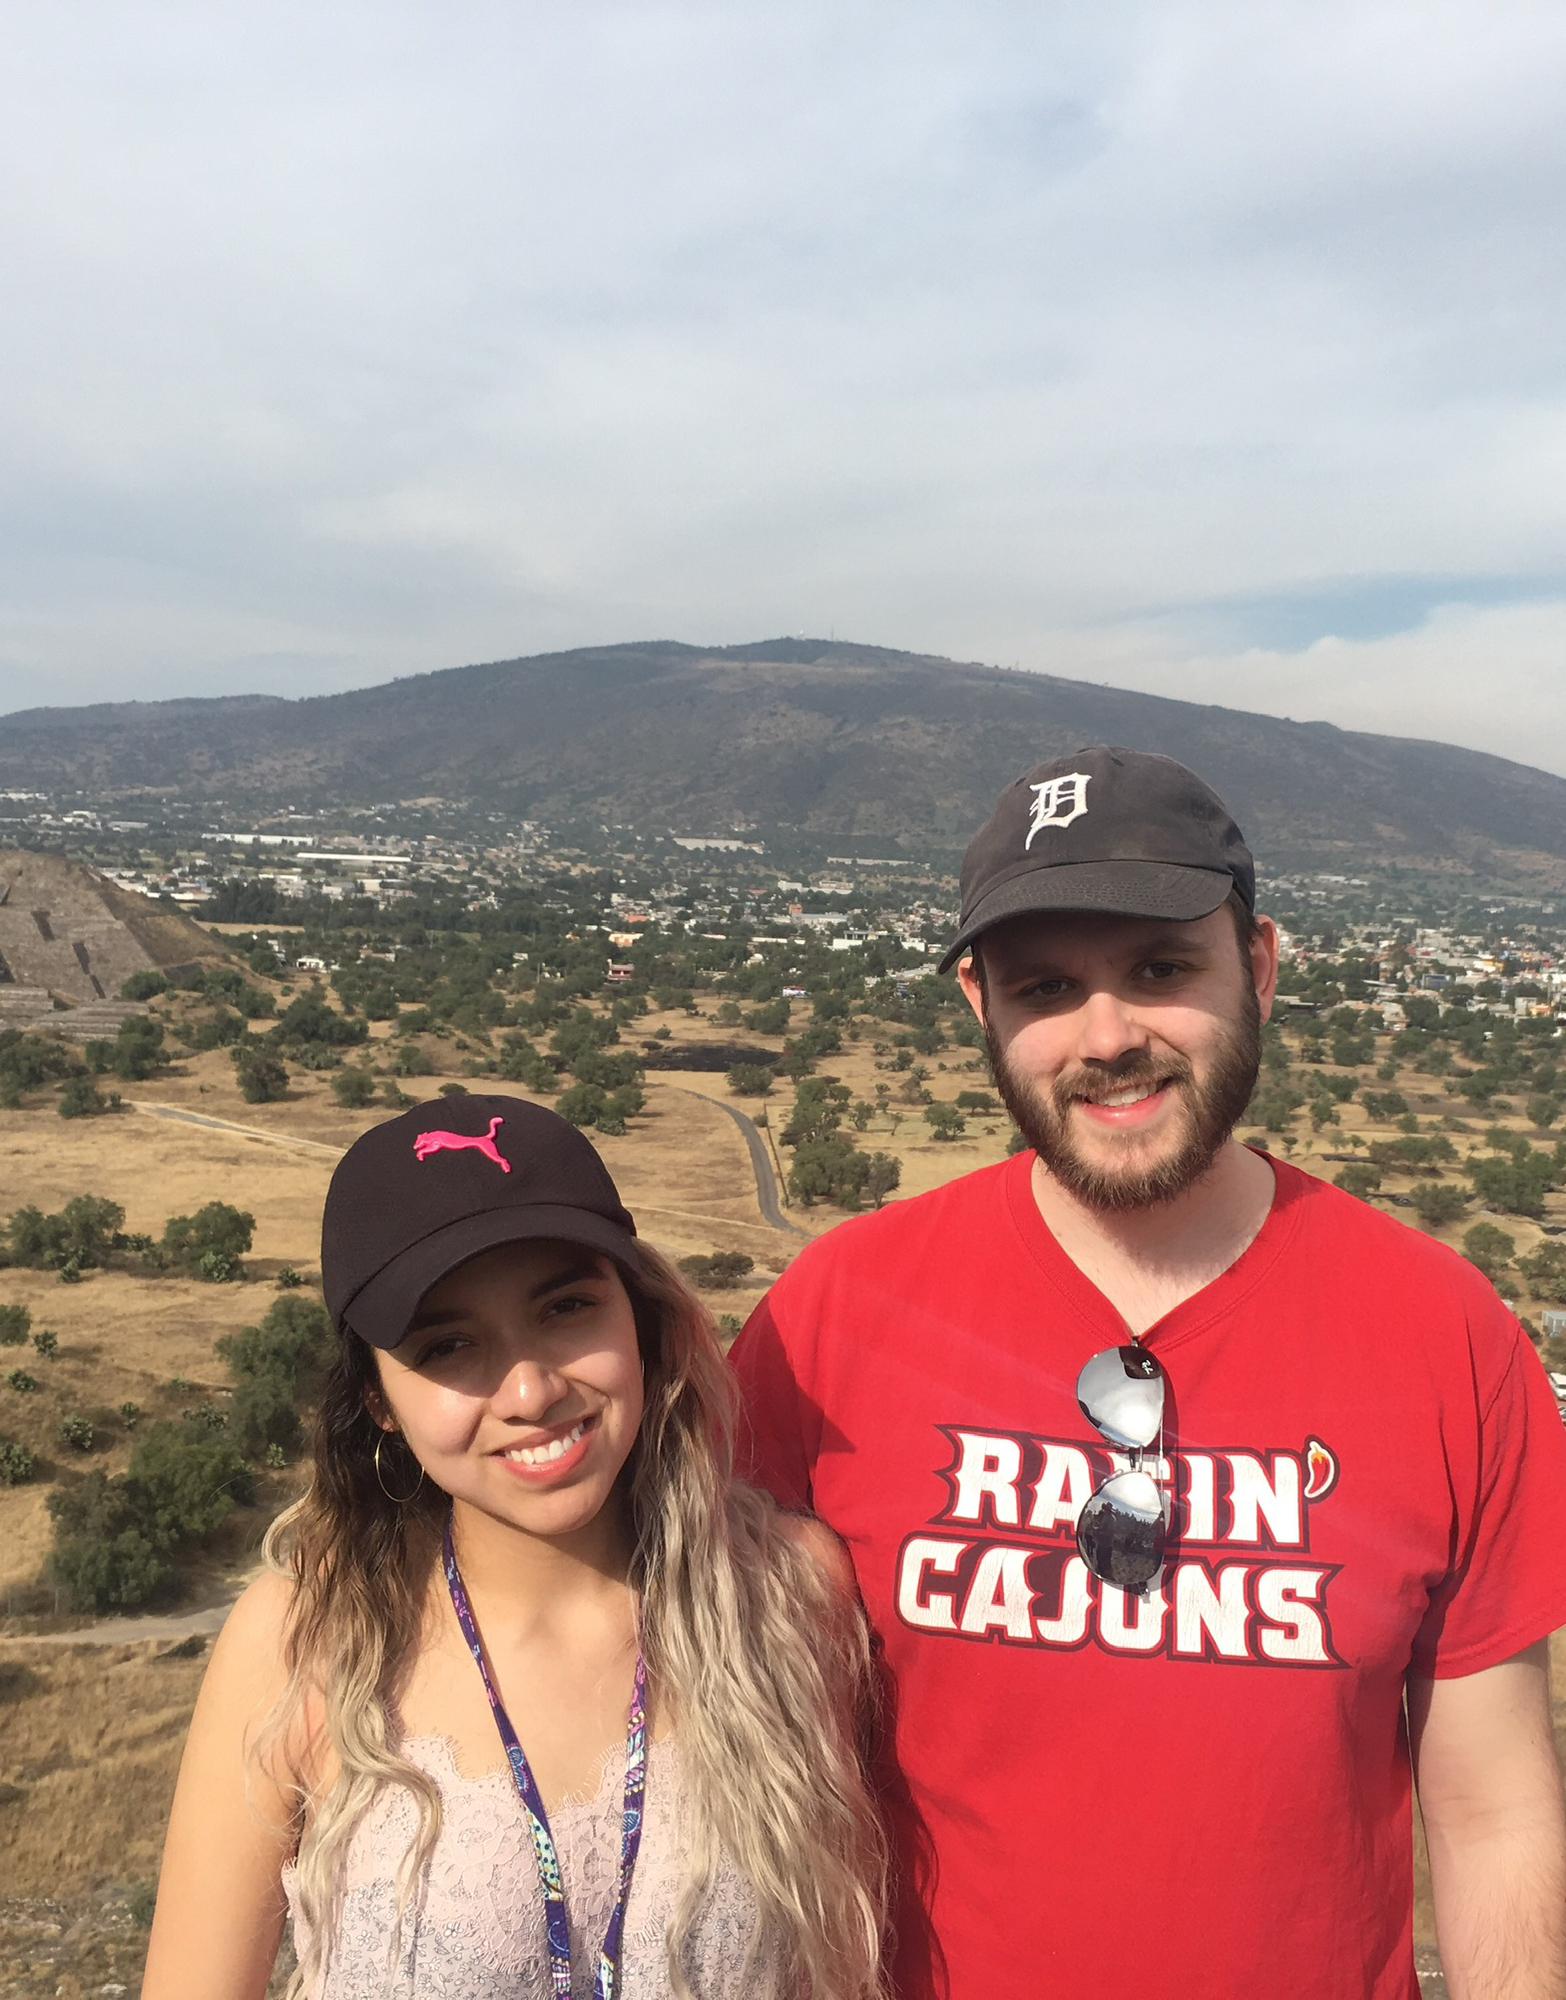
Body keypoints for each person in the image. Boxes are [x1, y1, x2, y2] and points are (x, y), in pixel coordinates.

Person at [732, 744, 1566, 2000]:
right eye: (1049, 986)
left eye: (1162, 969)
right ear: (980, 1005)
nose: (1109, 1035)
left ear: (1262, 965)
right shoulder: (830, 1318)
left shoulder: (1444, 1334)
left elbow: (1495, 1811)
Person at [144, 1094, 887, 2000]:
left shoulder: (785, 1596)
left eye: (567, 1307)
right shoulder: (305, 1640)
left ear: (643, 1329)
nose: (530, 1389)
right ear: (378, 1400)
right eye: (450, 1345)